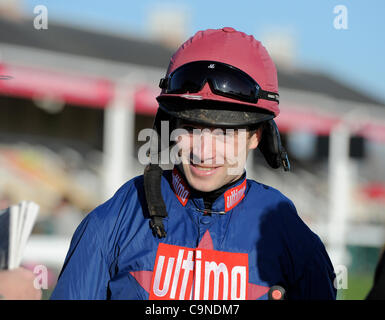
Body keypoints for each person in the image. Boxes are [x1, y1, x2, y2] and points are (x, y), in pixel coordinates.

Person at [51, 27, 336, 300]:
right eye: (190, 128)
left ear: (255, 137)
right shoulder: (114, 220)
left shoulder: (286, 231)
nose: (203, 152)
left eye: (224, 133)